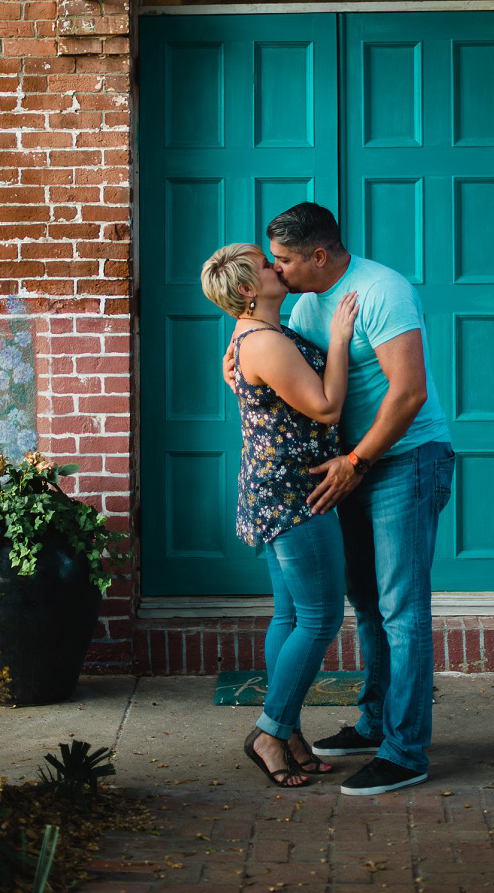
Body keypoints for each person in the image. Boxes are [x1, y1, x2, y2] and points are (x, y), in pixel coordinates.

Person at [227, 202, 455, 797]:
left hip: (399, 460)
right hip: (344, 468)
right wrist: (239, 355)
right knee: (368, 605)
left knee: (403, 609)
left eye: (282, 259)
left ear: (318, 256)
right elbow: (284, 360)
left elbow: (408, 394)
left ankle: (406, 752)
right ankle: (375, 723)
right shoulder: (304, 303)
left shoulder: (382, 291)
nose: (275, 268)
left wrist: (357, 462)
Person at [201, 241, 359, 789]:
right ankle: (270, 731)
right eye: (267, 265)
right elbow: (325, 406)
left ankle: (287, 731)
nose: (278, 266)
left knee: (292, 616)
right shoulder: (263, 340)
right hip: (294, 496)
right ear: (249, 289)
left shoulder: (258, 334)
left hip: (275, 490)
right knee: (319, 618)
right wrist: (339, 339)